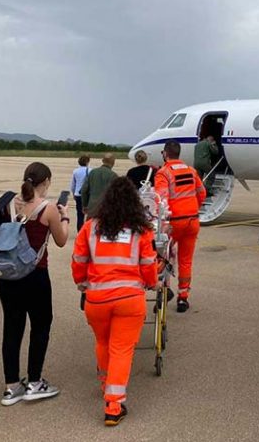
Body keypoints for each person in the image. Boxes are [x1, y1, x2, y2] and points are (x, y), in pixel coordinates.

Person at [71, 177, 159, 426]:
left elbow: (78, 259)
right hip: (129, 299)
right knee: (121, 349)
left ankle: (105, 383)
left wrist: (81, 281)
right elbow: (149, 265)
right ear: (134, 203)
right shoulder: (141, 229)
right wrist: (151, 282)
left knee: (103, 342)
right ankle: (114, 403)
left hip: (96, 298)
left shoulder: (91, 226)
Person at [0, 162, 70, 406]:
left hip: (7, 276)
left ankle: (11, 386)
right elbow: (61, 240)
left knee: (12, 326)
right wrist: (65, 216)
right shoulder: (47, 208)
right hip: (34, 275)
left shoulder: (8, 202)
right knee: (40, 325)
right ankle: (35, 381)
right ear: (47, 181)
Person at [155, 140, 206, 313]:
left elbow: (161, 200)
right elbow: (202, 193)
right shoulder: (191, 171)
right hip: (192, 220)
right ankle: (183, 297)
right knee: (186, 260)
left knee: (163, 257)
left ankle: (163, 291)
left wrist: (162, 224)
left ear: (165, 153)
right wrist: (193, 208)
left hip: (174, 222)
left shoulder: (164, 173)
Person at [81, 153, 117, 218]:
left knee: (90, 226)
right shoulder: (113, 176)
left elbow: (84, 190)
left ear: (102, 160)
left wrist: (85, 205)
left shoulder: (92, 172)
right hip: (107, 209)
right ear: (113, 162)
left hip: (92, 208)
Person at [70, 155, 91, 230]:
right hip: (88, 195)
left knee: (80, 214)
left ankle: (80, 231)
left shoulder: (75, 171)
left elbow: (72, 184)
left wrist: (73, 193)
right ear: (87, 162)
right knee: (89, 214)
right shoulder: (90, 170)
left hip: (78, 194)